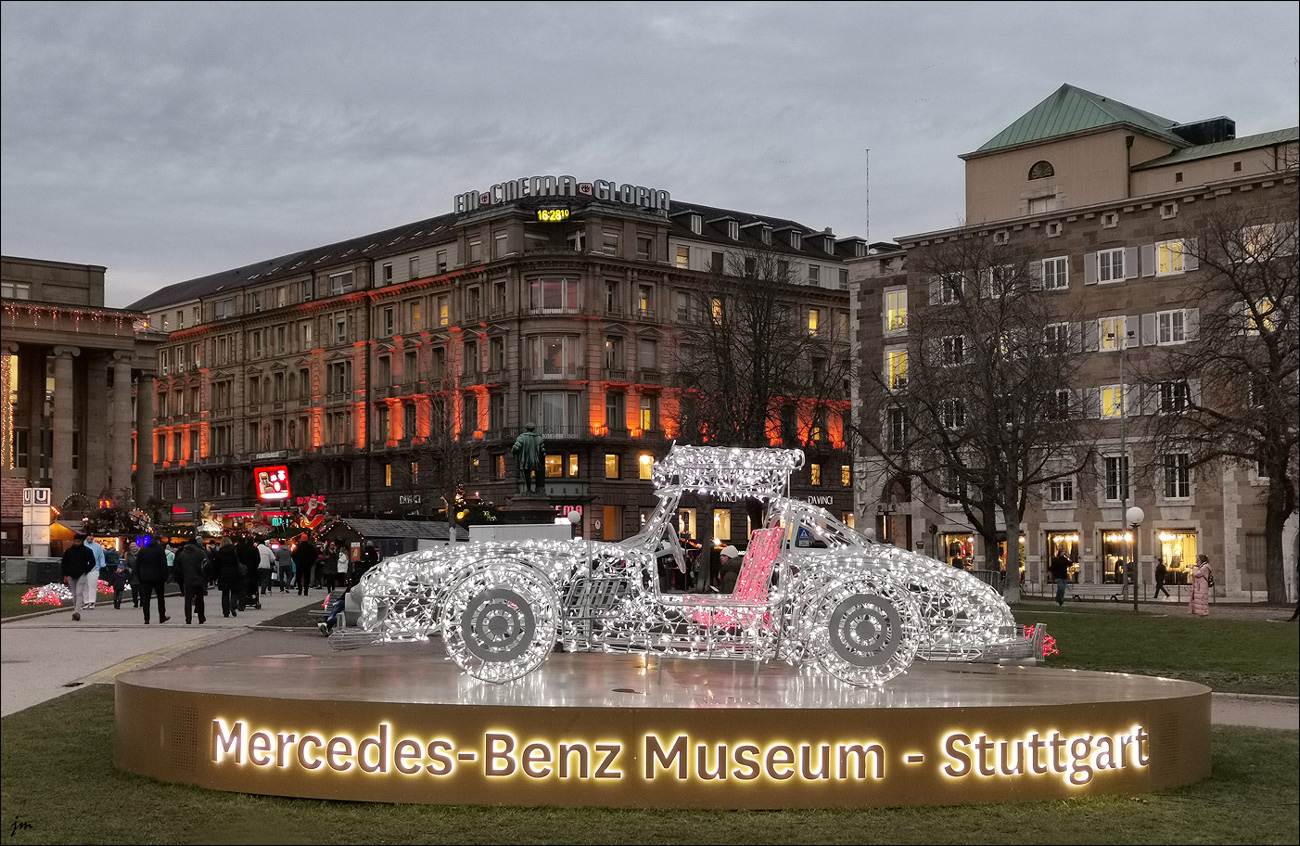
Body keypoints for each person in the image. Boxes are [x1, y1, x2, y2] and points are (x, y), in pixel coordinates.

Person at [60, 532, 96, 622]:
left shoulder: (87, 551)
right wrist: (65, 573)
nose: (76, 543)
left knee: (79, 593)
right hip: (70, 575)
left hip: (81, 574)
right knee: (74, 594)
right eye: (75, 541)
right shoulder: (69, 551)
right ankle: (76, 607)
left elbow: (92, 562)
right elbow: (64, 563)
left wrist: (86, 571)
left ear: (82, 542)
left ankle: (76, 611)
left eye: (78, 542)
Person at [173, 536, 209, 625]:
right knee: (200, 599)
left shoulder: (182, 554)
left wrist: (180, 579)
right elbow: (206, 565)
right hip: (199, 579)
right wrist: (205, 577)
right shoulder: (200, 553)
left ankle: (188, 619)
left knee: (188, 600)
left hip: (187, 579)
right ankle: (201, 617)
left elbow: (177, 568)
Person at [134, 536, 170, 624]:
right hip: (159, 578)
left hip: (145, 578)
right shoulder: (160, 550)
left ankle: (146, 618)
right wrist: (165, 577)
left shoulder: (143, 551)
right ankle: (162, 616)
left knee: (146, 599)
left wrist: (139, 577)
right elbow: (164, 565)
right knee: (160, 598)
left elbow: (137, 565)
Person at [511, 421, 546, 493]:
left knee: (527, 474)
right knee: (538, 473)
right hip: (536, 461)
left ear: (526, 429)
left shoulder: (522, 437)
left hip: (525, 460)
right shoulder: (538, 438)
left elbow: (516, 447)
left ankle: (529, 489)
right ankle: (539, 489)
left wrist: (513, 453)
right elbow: (542, 451)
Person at [214, 537, 244, 618]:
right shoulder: (234, 551)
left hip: (223, 574)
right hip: (234, 573)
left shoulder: (220, 552)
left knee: (225, 593)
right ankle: (233, 605)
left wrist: (215, 576)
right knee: (235, 591)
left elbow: (216, 565)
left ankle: (225, 611)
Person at [235, 536, 261, 610]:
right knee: (252, 585)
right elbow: (257, 560)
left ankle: (242, 600)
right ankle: (253, 598)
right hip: (252, 570)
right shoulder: (254, 549)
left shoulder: (242, 550)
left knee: (243, 586)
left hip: (243, 570)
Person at [83, 534, 107, 610]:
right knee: (84, 586)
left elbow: (101, 555)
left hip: (94, 568)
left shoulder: (97, 546)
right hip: (83, 569)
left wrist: (102, 564)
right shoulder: (82, 545)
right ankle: (86, 602)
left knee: (92, 585)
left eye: (92, 536)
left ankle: (92, 601)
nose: (91, 537)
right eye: (89, 535)